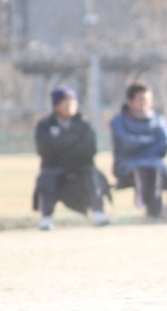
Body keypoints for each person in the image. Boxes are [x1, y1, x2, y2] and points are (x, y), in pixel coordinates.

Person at [32, 86, 110, 230]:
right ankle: (46, 217)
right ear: (56, 105)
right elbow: (45, 149)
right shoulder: (45, 125)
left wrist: (62, 146)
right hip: (54, 167)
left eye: (72, 101)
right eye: (65, 102)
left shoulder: (83, 124)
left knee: (93, 175)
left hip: (80, 166)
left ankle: (98, 213)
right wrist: (72, 146)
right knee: (46, 179)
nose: (70, 105)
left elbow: (90, 149)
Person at [110, 83, 167, 221]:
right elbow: (126, 143)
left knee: (154, 168)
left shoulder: (158, 120)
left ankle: (154, 212)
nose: (146, 103)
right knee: (142, 168)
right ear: (129, 102)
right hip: (127, 165)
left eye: (148, 100)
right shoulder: (118, 121)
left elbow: (166, 142)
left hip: (154, 163)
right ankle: (153, 209)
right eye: (141, 99)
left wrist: (140, 144)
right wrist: (150, 141)